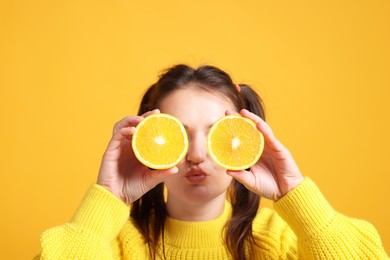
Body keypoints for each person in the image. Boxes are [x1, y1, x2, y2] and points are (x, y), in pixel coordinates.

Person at [36, 64, 389, 259]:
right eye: (178, 133)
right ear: (147, 142)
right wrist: (106, 200)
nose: (197, 154)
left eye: (217, 133)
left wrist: (295, 193)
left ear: (248, 139)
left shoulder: (278, 241)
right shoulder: (114, 245)